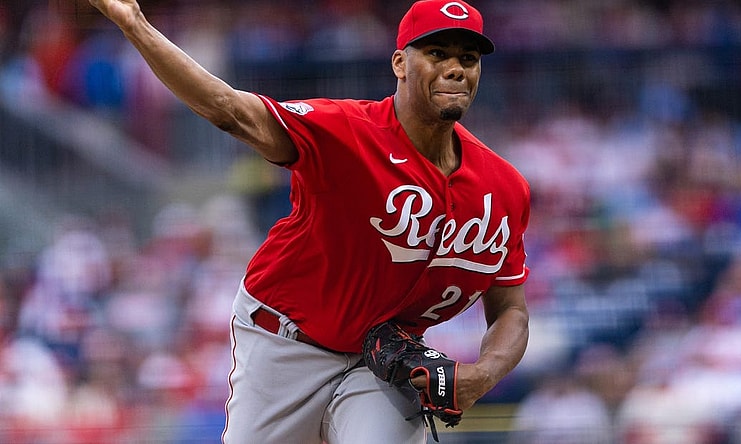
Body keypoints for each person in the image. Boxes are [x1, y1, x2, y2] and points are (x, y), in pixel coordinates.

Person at [87, 0, 532, 442]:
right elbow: (229, 110)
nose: (456, 68)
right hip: (285, 343)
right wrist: (136, 25)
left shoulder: (504, 188)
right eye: (437, 53)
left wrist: (483, 375)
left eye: (467, 59)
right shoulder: (345, 132)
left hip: (381, 362)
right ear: (400, 62)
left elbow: (510, 309)